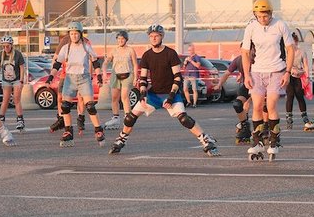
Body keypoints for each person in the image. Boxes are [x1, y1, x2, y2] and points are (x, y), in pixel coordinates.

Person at [109, 24, 219, 156]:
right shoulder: (147, 55)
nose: (154, 39)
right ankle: (121, 139)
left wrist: (171, 97)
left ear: (162, 37)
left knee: (184, 119)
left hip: (170, 93)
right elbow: (143, 78)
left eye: (156, 36)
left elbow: (178, 78)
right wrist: (143, 94)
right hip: (154, 94)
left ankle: (206, 139)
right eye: (151, 36)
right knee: (130, 117)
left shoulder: (170, 53)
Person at [241, 0, 295, 160]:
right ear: (255, 15)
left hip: (276, 70)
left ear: (271, 13)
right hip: (257, 71)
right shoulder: (251, 27)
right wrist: (247, 74)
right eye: (259, 16)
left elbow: (290, 49)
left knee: (270, 105)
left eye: (265, 16)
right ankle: (257, 142)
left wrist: (288, 72)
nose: (263, 19)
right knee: (256, 105)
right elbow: (245, 52)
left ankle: (274, 141)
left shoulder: (280, 25)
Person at [45, 21, 104, 147]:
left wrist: (99, 76)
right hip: (69, 79)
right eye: (71, 34)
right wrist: (50, 77)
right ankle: (68, 132)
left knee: (90, 106)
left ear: (80, 34)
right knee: (65, 106)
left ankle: (98, 130)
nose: (74, 36)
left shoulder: (85, 46)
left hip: (84, 78)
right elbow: (57, 64)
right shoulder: (66, 48)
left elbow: (95, 61)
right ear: (69, 35)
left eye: (76, 34)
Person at [103, 29, 137, 129]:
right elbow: (106, 62)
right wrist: (104, 72)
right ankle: (115, 118)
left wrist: (135, 77)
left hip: (127, 74)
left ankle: (128, 118)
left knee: (124, 97)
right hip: (116, 75)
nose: (120, 40)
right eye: (118, 39)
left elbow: (135, 64)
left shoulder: (130, 50)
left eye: (122, 39)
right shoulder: (114, 50)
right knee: (114, 98)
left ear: (126, 39)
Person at [218, 53, 252, 143]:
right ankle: (244, 126)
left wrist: (250, 100)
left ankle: (266, 128)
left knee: (263, 106)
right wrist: (219, 84)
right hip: (247, 86)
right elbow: (226, 74)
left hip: (260, 86)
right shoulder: (238, 59)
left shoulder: (258, 58)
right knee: (237, 104)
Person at [0, 35, 26, 132]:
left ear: (11, 45)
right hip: (6, 80)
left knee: (17, 99)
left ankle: (20, 120)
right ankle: (1, 120)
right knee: (5, 100)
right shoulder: (1, 54)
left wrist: (21, 80)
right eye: (3, 46)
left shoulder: (17, 54)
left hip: (16, 79)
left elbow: (22, 67)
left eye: (7, 46)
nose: (5, 48)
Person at [284, 31, 310, 129]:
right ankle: (289, 117)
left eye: (294, 42)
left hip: (299, 76)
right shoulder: (286, 52)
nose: (292, 44)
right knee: (290, 96)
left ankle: (304, 116)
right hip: (289, 76)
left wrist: (307, 77)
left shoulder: (301, 51)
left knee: (300, 96)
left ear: (296, 42)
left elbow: (306, 65)